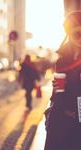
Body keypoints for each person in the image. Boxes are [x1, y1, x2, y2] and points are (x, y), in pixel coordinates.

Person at [44, 11, 81, 150]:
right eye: (77, 34)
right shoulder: (62, 61)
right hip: (62, 121)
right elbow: (58, 91)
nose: (80, 38)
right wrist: (64, 110)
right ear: (69, 35)